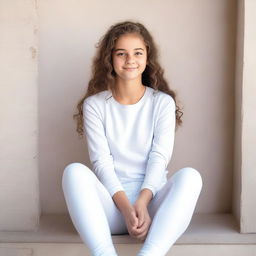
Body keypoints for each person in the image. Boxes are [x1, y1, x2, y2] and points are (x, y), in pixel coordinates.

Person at [62, 20, 203, 256]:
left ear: (147, 58)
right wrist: (127, 209)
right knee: (73, 172)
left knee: (191, 177)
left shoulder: (162, 103)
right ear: (110, 59)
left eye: (138, 53)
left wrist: (142, 203)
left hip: (153, 209)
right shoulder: (95, 105)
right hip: (110, 209)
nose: (130, 60)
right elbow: (101, 163)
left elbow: (159, 157)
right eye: (121, 53)